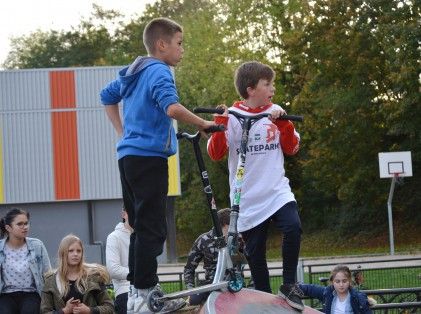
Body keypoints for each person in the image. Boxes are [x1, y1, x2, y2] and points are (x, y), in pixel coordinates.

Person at [100, 17, 216, 313]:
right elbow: (172, 107)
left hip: (128, 157)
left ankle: (140, 295)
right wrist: (203, 123)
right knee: (153, 229)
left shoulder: (133, 72)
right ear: (162, 44)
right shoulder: (159, 71)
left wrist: (121, 132)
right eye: (179, 43)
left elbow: (106, 96)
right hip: (149, 159)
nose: (182, 50)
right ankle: (144, 293)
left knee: (140, 226)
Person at [207, 61, 304, 310]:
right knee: (255, 253)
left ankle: (290, 283)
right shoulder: (233, 116)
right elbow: (216, 153)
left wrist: (283, 124)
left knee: (293, 226)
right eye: (267, 84)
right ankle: (264, 297)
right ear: (251, 89)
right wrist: (220, 122)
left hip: (276, 191)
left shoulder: (276, 112)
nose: (272, 88)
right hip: (247, 197)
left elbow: (292, 148)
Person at [40, 234, 114, 314]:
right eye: (71, 251)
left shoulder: (93, 277)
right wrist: (64, 311)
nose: (75, 254)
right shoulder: (51, 281)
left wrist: (89, 310)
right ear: (63, 253)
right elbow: (44, 311)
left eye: (79, 251)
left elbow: (109, 307)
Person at [0, 207, 51, 314]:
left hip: (31, 294)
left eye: (26, 223)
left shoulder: (37, 245)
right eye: (20, 224)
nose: (25, 227)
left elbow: (48, 274)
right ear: (8, 228)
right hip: (5, 295)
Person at [183, 208, 233, 305]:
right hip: (211, 286)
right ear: (223, 224)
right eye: (231, 226)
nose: (235, 229)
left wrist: (252, 285)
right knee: (193, 301)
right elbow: (189, 269)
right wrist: (190, 290)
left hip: (233, 286)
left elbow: (255, 262)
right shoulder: (203, 240)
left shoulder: (238, 239)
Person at [299, 264, 373, 313]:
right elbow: (309, 288)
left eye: (344, 281)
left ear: (349, 281)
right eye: (337, 281)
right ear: (332, 282)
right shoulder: (327, 293)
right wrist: (291, 287)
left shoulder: (358, 297)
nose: (341, 285)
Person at [106, 207, 132, 314]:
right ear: (124, 214)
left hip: (148, 289)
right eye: (132, 210)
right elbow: (113, 269)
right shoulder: (114, 237)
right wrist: (138, 275)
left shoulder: (143, 237)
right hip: (125, 291)